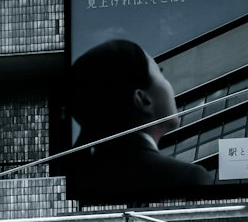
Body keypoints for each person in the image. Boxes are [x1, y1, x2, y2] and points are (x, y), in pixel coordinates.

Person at [66, 38, 214, 202]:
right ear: (143, 100)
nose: (169, 84)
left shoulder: (80, 182)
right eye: (161, 72)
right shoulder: (188, 178)